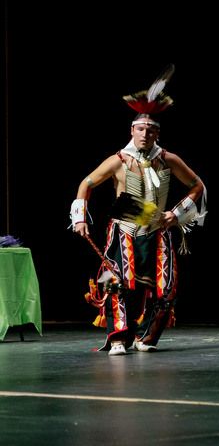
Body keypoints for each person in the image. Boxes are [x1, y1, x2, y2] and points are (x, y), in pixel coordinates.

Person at [70, 66, 207, 356]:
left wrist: (177, 213)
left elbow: (198, 186)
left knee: (165, 288)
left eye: (151, 130)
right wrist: (79, 217)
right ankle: (119, 339)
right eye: (141, 129)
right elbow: (87, 183)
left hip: (159, 229)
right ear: (132, 130)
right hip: (125, 228)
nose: (145, 134)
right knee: (118, 284)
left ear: (158, 133)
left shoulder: (168, 159)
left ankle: (146, 339)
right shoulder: (118, 160)